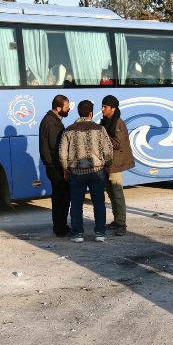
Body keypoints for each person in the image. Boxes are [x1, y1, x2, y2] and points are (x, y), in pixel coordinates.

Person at [58, 100, 114, 243]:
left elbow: (62, 153)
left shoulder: (68, 130)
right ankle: (100, 233)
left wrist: (65, 168)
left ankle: (78, 234)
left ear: (78, 112)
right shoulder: (99, 129)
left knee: (76, 204)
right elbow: (108, 150)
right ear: (90, 113)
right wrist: (107, 164)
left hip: (76, 172)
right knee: (99, 203)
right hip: (97, 171)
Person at [100, 95, 135, 237]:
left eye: (105, 107)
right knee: (110, 192)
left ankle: (122, 223)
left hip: (116, 163)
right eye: (102, 106)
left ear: (113, 109)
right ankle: (116, 219)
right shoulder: (106, 121)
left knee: (117, 193)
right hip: (108, 163)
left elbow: (118, 144)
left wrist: (103, 136)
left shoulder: (118, 123)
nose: (102, 109)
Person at [39, 95, 71, 237]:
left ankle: (59, 226)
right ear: (58, 108)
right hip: (56, 167)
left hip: (53, 166)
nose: (69, 109)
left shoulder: (51, 120)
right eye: (66, 107)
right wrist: (65, 168)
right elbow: (57, 148)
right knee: (61, 199)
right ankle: (60, 228)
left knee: (59, 198)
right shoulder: (53, 123)